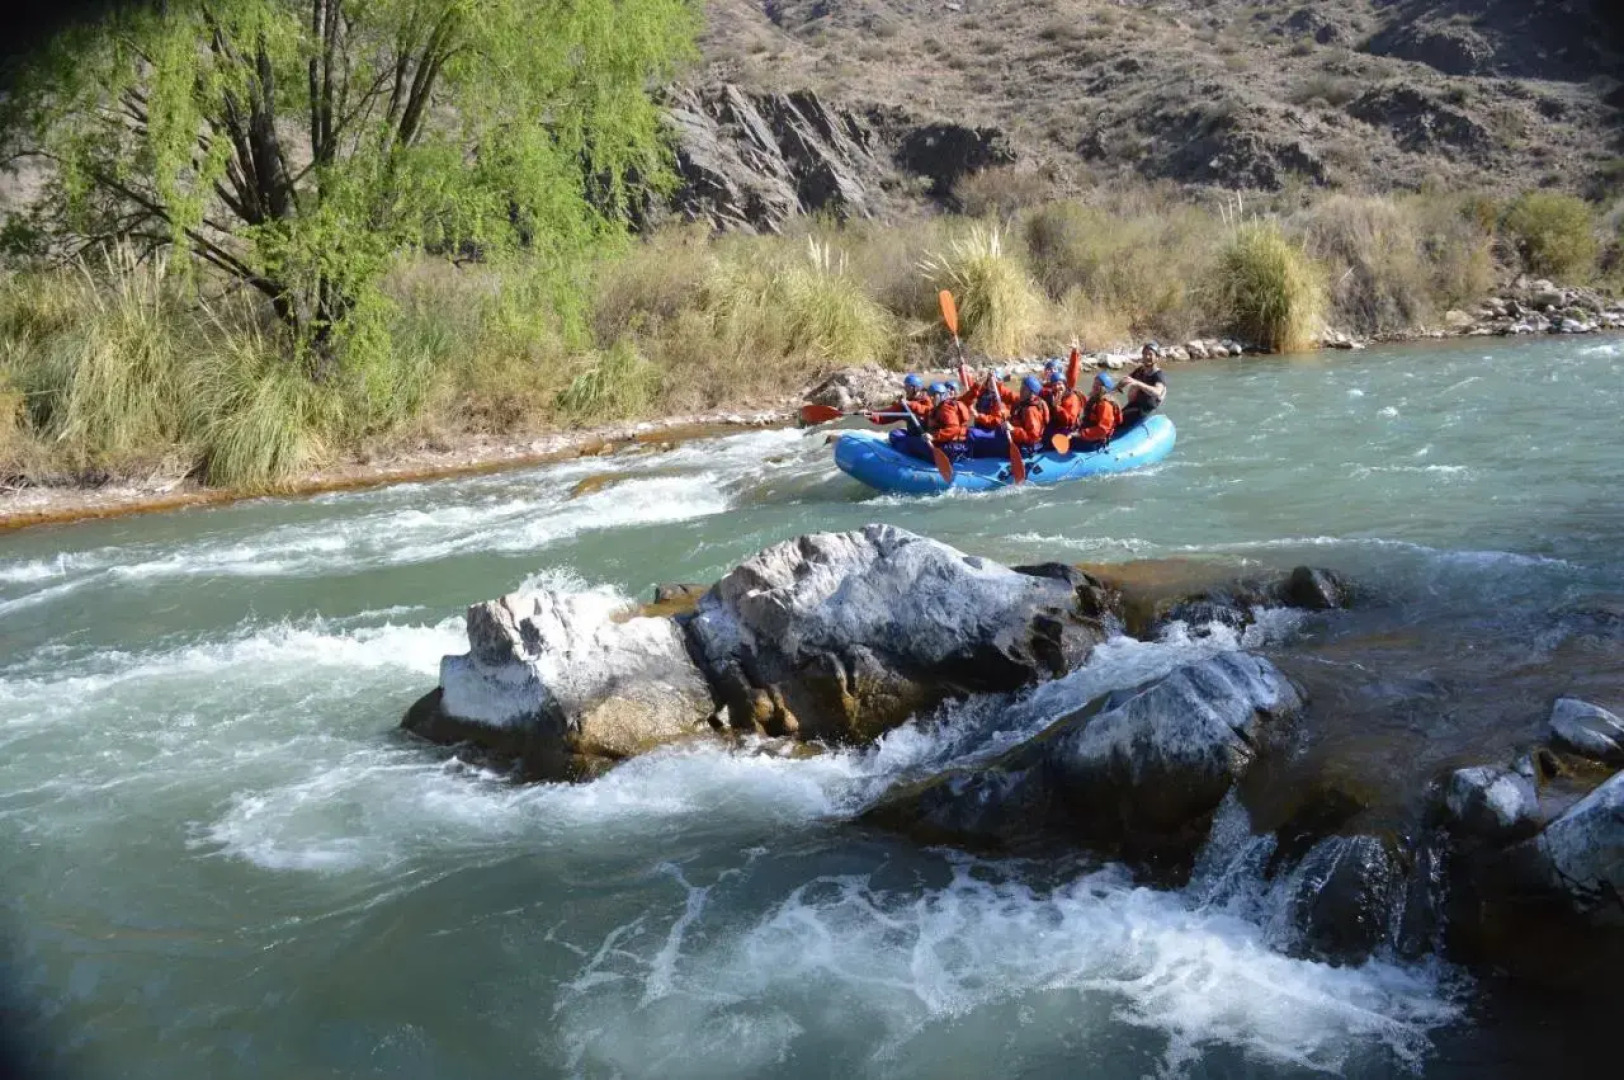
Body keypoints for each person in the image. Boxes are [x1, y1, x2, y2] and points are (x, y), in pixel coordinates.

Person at [1119, 343, 1167, 431]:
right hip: (1134, 406)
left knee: (1118, 421)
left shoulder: (1158, 375)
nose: (1147, 357)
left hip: (1144, 410)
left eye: (1150, 354)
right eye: (1144, 354)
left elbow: (1157, 392)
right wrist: (1115, 388)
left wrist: (1138, 383)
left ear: (1157, 357)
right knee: (1114, 417)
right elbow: (1127, 380)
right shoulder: (1140, 370)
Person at [1075, 373, 1122, 450]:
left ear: (1105, 389)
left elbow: (1102, 430)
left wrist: (1080, 434)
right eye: (1095, 383)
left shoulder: (1105, 405)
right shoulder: (1096, 398)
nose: (1095, 385)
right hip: (1088, 431)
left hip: (1095, 439)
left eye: (1099, 384)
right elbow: (1089, 410)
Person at [1008, 375, 1051, 453]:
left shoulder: (1030, 411)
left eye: (1024, 389)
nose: (1020, 390)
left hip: (1025, 447)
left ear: (1032, 394)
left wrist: (1012, 429)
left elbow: (1033, 438)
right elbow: (1008, 395)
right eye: (1021, 387)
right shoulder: (1024, 402)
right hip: (1014, 436)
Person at [1042, 368, 1084, 442]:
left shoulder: (1072, 398)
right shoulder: (1052, 395)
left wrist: (1057, 407)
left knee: (1049, 439)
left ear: (1065, 384)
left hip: (1068, 429)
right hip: (1056, 424)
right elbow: (1039, 390)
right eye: (1054, 385)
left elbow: (1070, 421)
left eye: (1059, 384)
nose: (1057, 387)